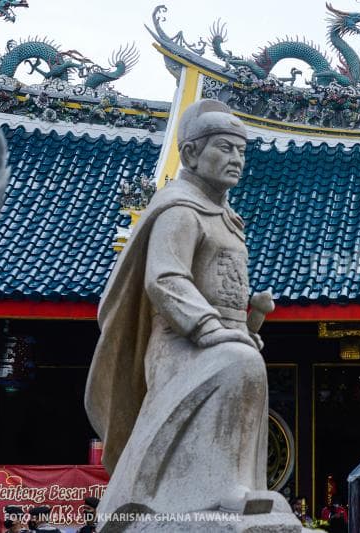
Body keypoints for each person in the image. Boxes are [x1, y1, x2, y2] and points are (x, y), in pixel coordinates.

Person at [85, 99, 276, 519]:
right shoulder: (180, 210)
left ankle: (239, 485)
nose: (236, 159)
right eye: (225, 148)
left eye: (241, 151)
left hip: (221, 339)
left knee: (248, 365)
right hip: (179, 344)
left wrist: (248, 323)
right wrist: (209, 329)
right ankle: (213, 489)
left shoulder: (227, 218)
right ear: (190, 153)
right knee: (240, 363)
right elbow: (165, 279)